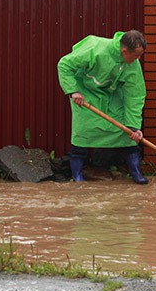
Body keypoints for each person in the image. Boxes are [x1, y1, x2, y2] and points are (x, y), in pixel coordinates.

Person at [57, 30, 148, 184]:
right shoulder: (95, 48)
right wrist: (73, 91)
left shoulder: (133, 64)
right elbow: (65, 64)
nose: (138, 59)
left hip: (112, 95)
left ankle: (136, 173)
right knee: (83, 131)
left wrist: (134, 127)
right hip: (85, 94)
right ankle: (77, 177)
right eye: (136, 55)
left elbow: (134, 95)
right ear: (124, 51)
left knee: (127, 133)